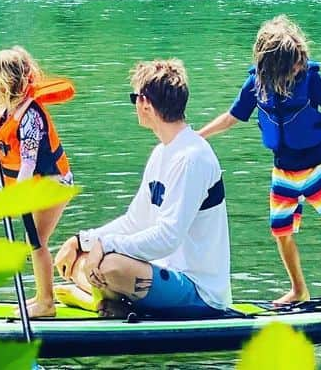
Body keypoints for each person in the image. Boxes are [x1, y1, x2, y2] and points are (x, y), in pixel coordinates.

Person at [198, 14, 321, 306]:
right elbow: (231, 118)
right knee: (280, 231)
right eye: (295, 61)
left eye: (301, 58)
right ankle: (298, 289)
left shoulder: (311, 80)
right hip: (283, 170)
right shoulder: (256, 85)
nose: (300, 64)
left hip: (316, 166)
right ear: (276, 66)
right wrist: (197, 136)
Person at [54, 59, 231, 315]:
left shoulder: (192, 158)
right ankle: (101, 301)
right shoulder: (162, 153)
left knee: (110, 266)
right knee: (77, 260)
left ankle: (96, 299)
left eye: (134, 98)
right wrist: (83, 241)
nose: (134, 105)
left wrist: (106, 245)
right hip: (162, 273)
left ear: (145, 103)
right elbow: (135, 221)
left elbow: (168, 238)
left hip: (199, 291)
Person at [0, 46, 74, 318]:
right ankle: (42, 296)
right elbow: (4, 148)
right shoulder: (10, 111)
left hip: (53, 183)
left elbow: (28, 163)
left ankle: (46, 303)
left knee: (37, 240)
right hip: (37, 184)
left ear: (6, 83)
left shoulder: (30, 116)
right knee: (33, 239)